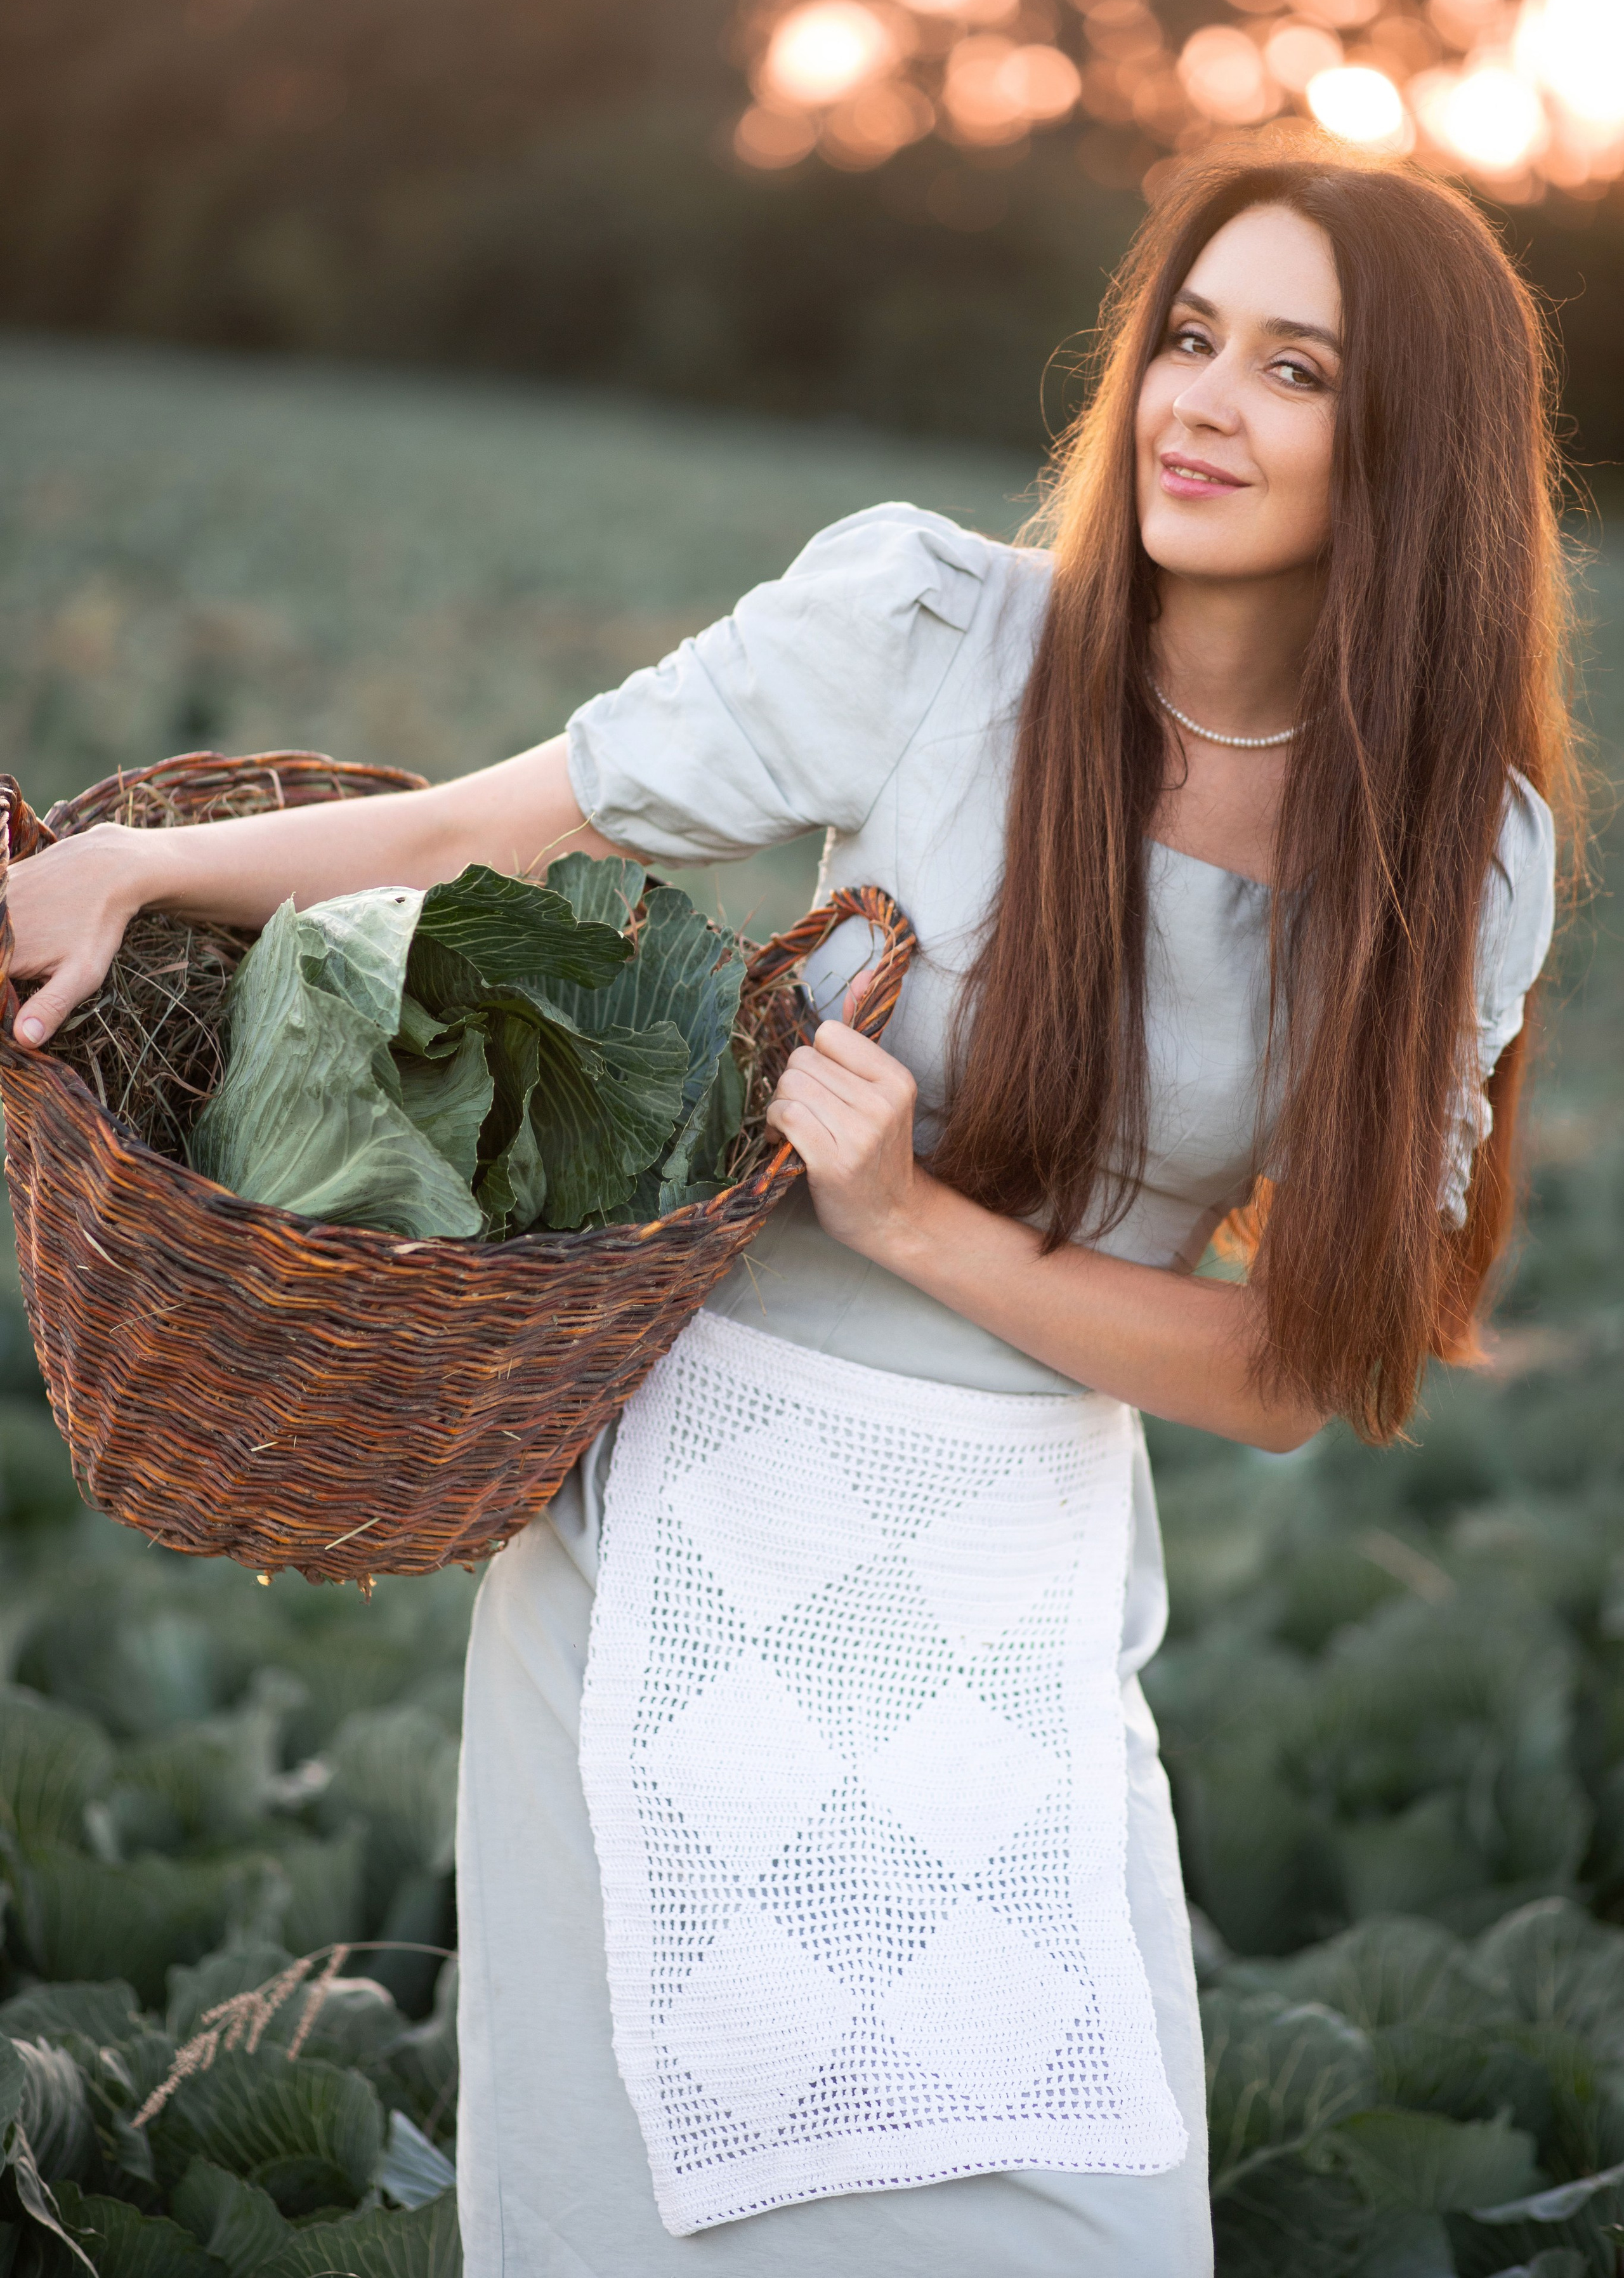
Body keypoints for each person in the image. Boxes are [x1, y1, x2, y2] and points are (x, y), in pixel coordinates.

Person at [5, 143, 1572, 2275]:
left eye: (1297, 370)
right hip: (678, 1540)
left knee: (1071, 2222)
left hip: (1009, 1590)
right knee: (635, 2213)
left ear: (1421, 450)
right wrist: (135, 870)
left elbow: (1306, 1374)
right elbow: (488, 820)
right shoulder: (934, 632)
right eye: (1190, 337)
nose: (1203, 403)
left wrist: (924, 1226)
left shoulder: (1458, 853)